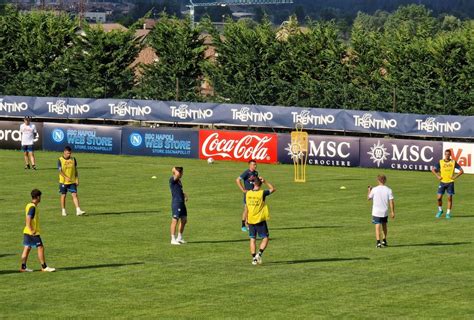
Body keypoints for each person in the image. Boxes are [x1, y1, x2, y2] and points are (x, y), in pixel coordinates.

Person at [20, 189, 55, 272]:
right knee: (40, 247)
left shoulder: (29, 205)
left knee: (27, 247)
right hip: (32, 232)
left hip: (26, 231)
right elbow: (28, 219)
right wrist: (32, 230)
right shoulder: (33, 207)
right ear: (38, 197)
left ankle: (23, 267)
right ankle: (44, 266)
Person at [245, 177, 275, 265]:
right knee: (265, 238)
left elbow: (247, 207)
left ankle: (254, 258)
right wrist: (265, 181)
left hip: (250, 219)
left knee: (252, 239)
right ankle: (259, 254)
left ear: (254, 183)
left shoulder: (248, 193)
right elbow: (273, 189)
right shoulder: (262, 193)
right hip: (259, 220)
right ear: (260, 184)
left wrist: (246, 218)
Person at [431, 149, 464, 219]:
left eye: (448, 154)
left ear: (450, 155)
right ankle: (440, 210)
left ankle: (448, 213)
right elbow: (433, 169)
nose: (447, 155)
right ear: (444, 154)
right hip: (442, 182)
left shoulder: (453, 162)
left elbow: (461, 171)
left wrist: (454, 177)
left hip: (450, 183)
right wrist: (438, 176)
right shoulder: (441, 162)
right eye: (446, 154)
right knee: (439, 198)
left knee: (449, 198)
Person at [368, 175, 395, 248]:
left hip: (376, 211)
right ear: (385, 180)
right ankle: (384, 240)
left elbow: (369, 198)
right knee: (384, 226)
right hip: (384, 211)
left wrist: (369, 190)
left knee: (377, 226)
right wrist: (392, 212)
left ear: (378, 181)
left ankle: (378, 242)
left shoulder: (374, 189)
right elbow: (391, 201)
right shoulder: (389, 190)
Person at [58, 146, 86, 216]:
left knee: (75, 194)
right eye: (68, 153)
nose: (69, 155)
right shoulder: (60, 159)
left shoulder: (73, 159)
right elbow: (60, 171)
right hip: (63, 181)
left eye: (70, 153)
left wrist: (77, 179)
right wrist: (65, 177)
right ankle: (63, 210)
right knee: (63, 195)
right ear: (64, 152)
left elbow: (75, 170)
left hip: (72, 181)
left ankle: (78, 210)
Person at [236, 159, 260, 232]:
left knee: (252, 209)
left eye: (255, 164)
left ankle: (249, 224)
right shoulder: (246, 172)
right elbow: (237, 180)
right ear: (249, 165)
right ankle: (243, 225)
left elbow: (255, 182)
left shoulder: (256, 173)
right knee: (246, 209)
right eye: (253, 164)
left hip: (254, 193)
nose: (255, 166)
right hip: (248, 194)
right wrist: (243, 189)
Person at [169, 166, 188, 245]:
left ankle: (179, 238)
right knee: (175, 220)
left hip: (181, 202)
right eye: (181, 172)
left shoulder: (179, 181)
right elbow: (175, 172)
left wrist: (184, 195)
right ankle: (173, 239)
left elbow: (179, 190)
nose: (182, 174)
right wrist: (175, 169)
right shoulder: (172, 179)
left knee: (184, 220)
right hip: (176, 203)